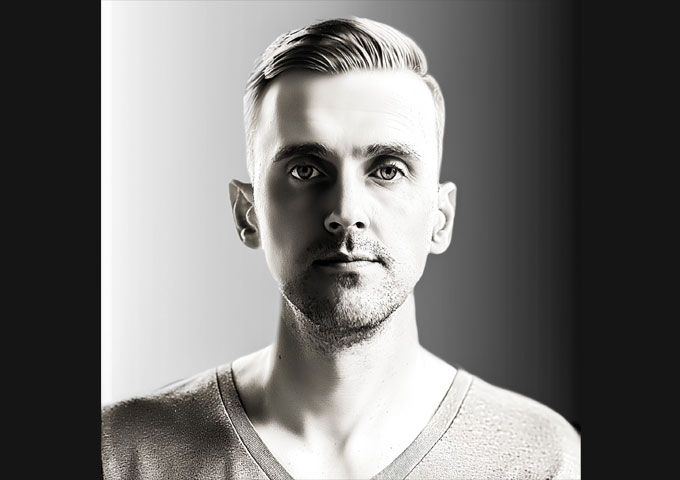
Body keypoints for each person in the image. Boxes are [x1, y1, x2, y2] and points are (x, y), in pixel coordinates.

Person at [101, 17, 581, 480]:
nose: (345, 211)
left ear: (441, 218)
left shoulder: (542, 460)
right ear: (248, 213)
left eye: (387, 170)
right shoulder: (122, 456)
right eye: (305, 170)